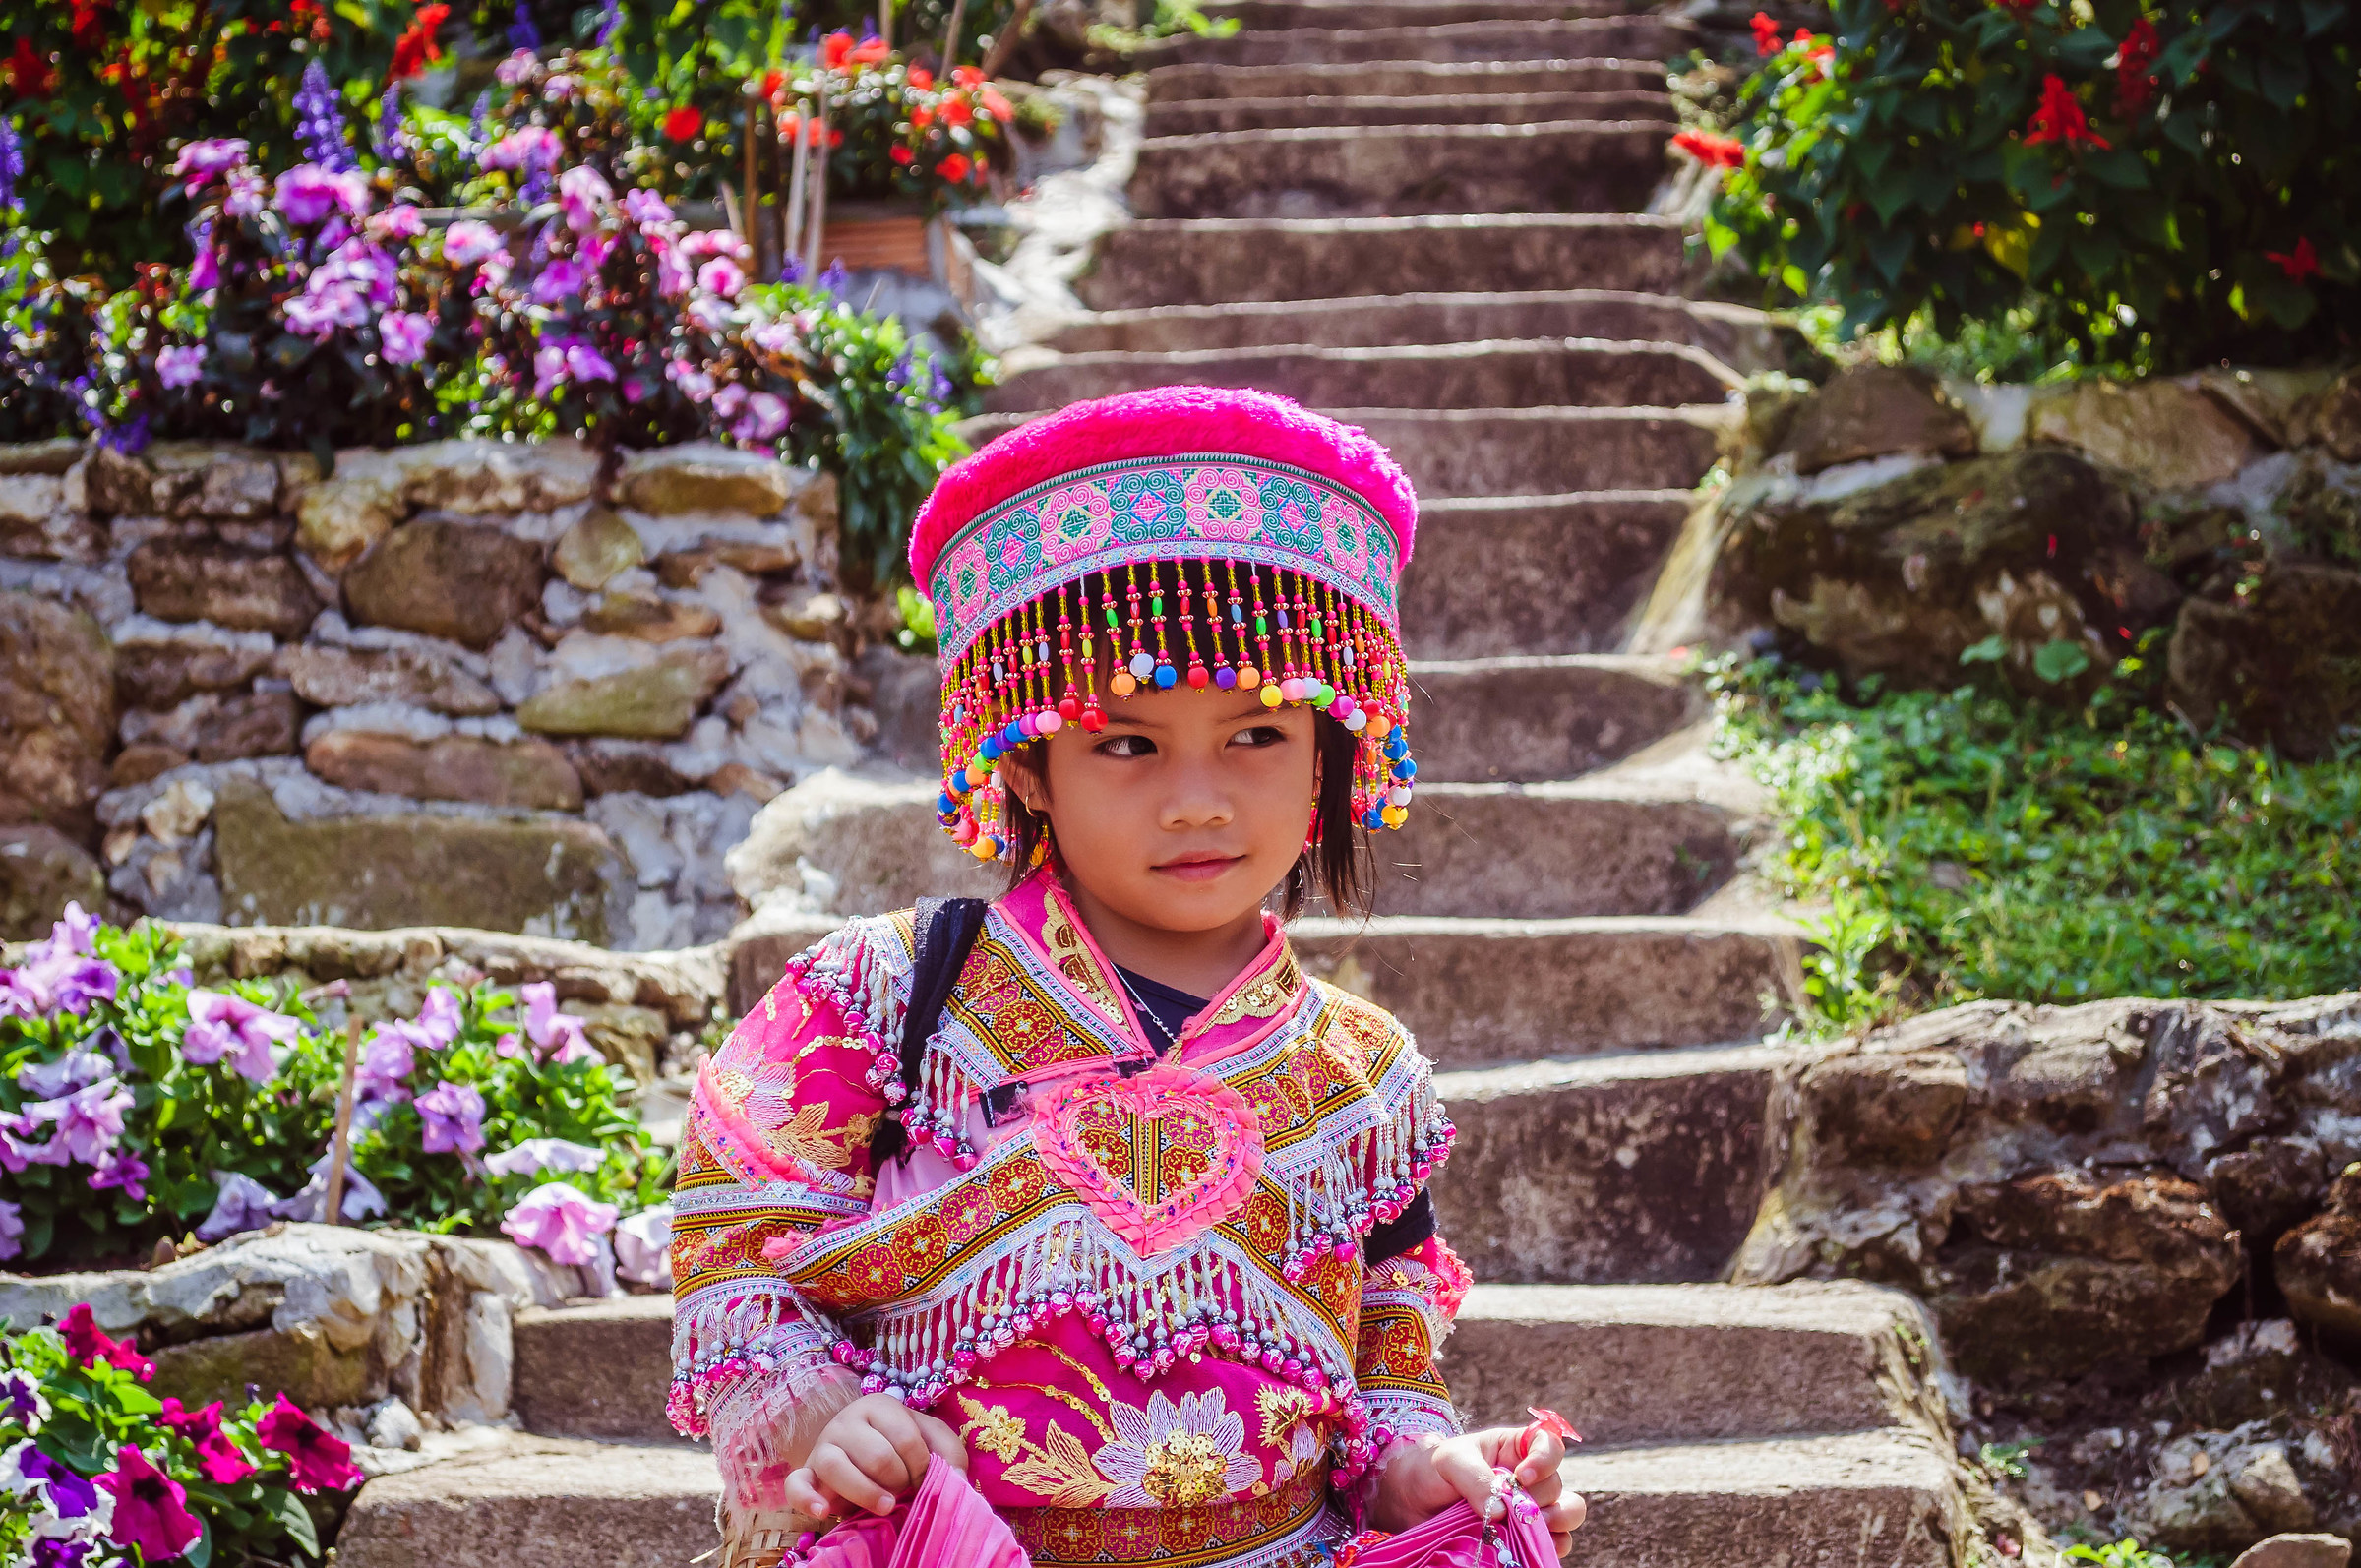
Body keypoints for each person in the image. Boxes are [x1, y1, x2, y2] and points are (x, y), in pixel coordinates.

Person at [668, 387, 1588, 1568]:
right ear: (1030, 763)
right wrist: (825, 1421)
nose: (1198, 797)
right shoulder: (884, 999)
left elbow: (1383, 1391)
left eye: (1257, 733)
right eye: (1126, 741)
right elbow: (735, 1257)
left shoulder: (1369, 1083)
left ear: (1328, 753)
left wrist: (1431, 1471)